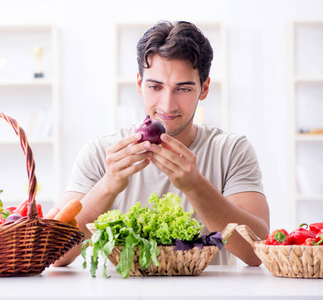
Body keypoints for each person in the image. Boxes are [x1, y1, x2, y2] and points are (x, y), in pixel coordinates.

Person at [54, 20, 269, 267]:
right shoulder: (100, 152)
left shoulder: (231, 151)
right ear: (139, 85)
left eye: (183, 89)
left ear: (204, 88)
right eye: (155, 87)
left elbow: (256, 252)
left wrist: (196, 186)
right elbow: (55, 253)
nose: (167, 106)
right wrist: (108, 185)